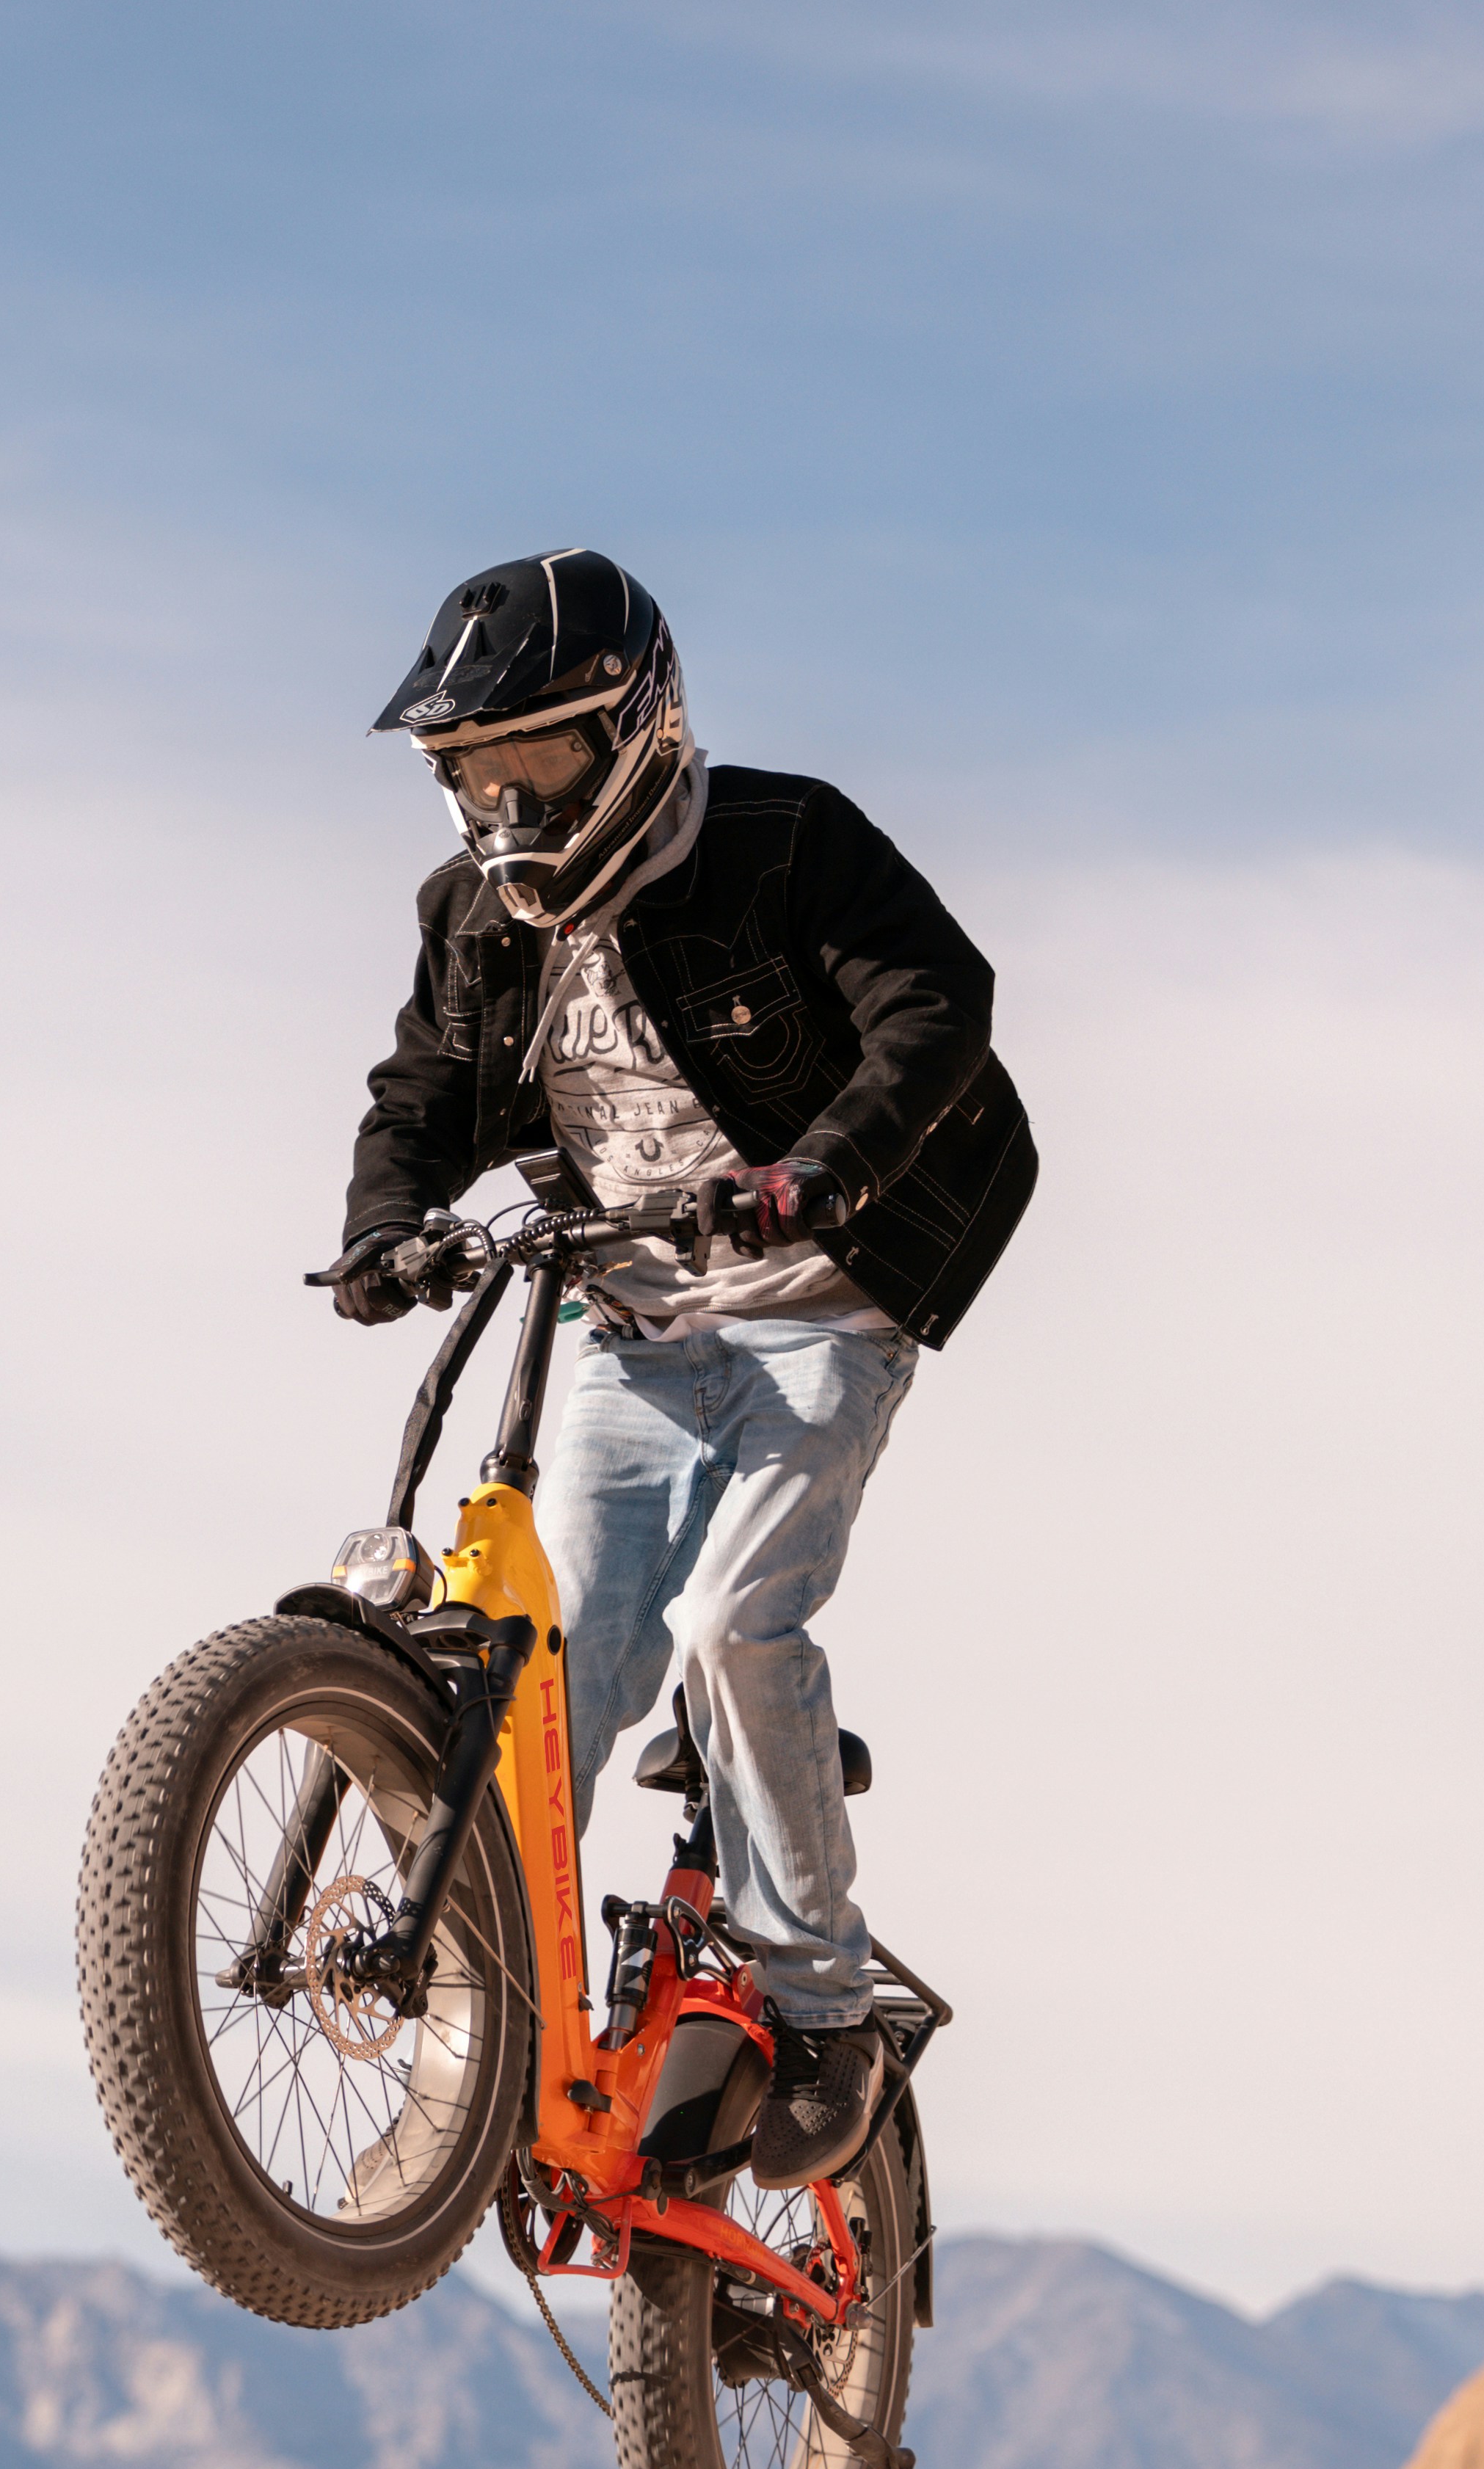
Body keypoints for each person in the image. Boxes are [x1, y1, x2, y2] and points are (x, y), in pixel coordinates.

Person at [324, 550, 1036, 2187]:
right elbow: (417, 1091)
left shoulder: (786, 842)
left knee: (733, 1621)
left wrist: (820, 1172)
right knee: (553, 1682)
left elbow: (938, 1006)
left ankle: (823, 2006)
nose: (503, 806)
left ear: (639, 725)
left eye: (537, 761)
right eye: (468, 773)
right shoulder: (476, 921)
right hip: (628, 1323)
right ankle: (485, 2034)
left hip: (823, 1305)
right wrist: (385, 1223)